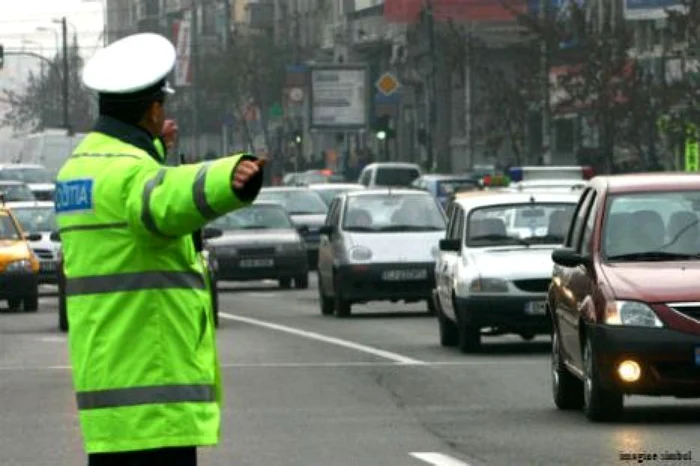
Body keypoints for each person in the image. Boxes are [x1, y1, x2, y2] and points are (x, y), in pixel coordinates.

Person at [54, 33, 263, 466]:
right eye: (161, 108)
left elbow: (137, 198)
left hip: (109, 389)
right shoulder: (131, 176)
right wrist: (231, 177)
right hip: (153, 395)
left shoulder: (77, 170)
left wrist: (152, 147)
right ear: (153, 109)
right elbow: (164, 200)